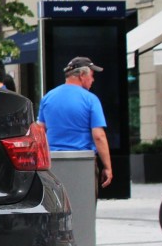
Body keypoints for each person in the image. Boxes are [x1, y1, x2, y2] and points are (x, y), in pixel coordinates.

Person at [36, 56, 112, 190]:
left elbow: (40, 130)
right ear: (82, 75)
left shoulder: (48, 97)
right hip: (82, 162)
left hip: (53, 162)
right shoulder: (90, 99)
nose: (92, 80)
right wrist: (107, 167)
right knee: (84, 205)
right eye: (92, 75)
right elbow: (99, 136)